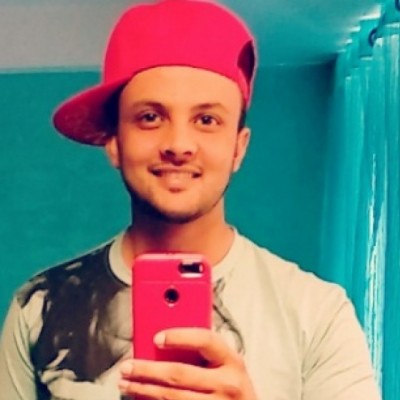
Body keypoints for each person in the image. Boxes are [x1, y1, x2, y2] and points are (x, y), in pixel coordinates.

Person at [0, 0, 381, 399]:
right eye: (150, 117)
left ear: (238, 147)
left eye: (206, 120)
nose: (179, 144)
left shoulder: (317, 314)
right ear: (114, 142)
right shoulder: (39, 307)